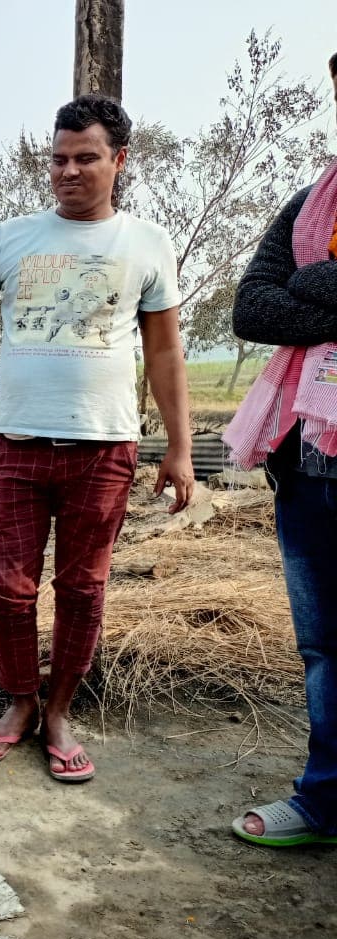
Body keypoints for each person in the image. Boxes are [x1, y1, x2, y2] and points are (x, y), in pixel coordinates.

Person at [0, 95, 194, 782]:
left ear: (119, 160)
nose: (68, 171)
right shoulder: (13, 239)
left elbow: (165, 351)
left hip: (104, 451)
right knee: (7, 588)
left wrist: (179, 448)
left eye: (86, 158)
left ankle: (59, 711)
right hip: (19, 449)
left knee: (83, 590)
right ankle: (20, 704)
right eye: (58, 159)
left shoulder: (147, 243)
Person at [224, 52, 337, 848]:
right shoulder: (310, 206)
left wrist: (313, 283)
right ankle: (326, 800)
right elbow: (251, 307)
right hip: (306, 460)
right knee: (326, 643)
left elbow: (288, 293)